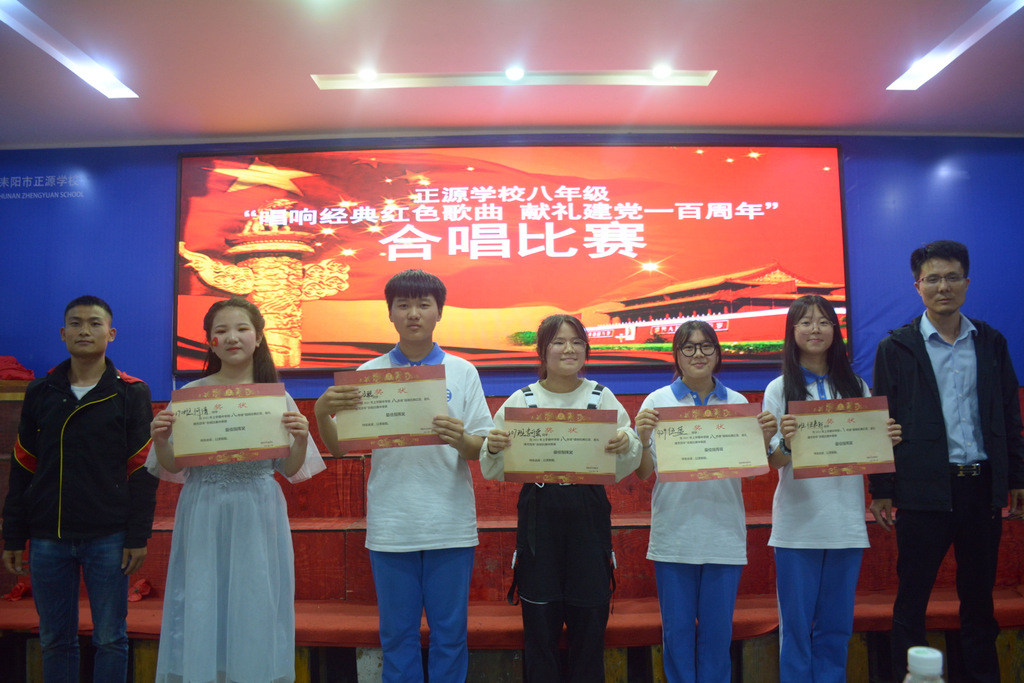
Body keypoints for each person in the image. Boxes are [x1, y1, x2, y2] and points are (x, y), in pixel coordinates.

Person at [314, 270, 493, 683]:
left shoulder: (462, 371)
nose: (414, 313)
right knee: (397, 636)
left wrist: (460, 439)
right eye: (404, 305)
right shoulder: (369, 372)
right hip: (392, 524)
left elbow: (481, 448)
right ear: (390, 313)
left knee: (450, 635)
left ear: (439, 312)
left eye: (423, 305)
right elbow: (340, 448)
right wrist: (322, 413)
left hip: (449, 522)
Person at [869, 240, 1024, 682]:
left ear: (967, 283)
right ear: (917, 286)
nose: (943, 287)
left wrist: (1016, 477)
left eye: (953, 277)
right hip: (923, 490)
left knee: (979, 601)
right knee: (912, 600)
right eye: (933, 278)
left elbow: (1009, 414)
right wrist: (881, 487)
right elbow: (882, 422)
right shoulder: (895, 347)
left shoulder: (990, 342)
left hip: (980, 487)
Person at [148, 296, 325, 683]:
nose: (232, 337)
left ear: (258, 337)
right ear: (210, 342)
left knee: (255, 598)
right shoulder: (192, 396)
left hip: (257, 510)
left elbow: (289, 469)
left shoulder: (274, 397)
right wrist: (160, 439)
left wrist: (300, 438)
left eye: (242, 329)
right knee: (201, 596)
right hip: (204, 508)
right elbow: (173, 465)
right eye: (222, 331)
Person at [1, 295, 158, 682]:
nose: (84, 330)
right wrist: (13, 535)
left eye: (94, 323)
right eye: (75, 323)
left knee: (111, 639)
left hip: (109, 536)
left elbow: (143, 470)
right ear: (62, 333)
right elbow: (23, 466)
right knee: (55, 640)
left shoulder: (131, 392)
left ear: (111, 333)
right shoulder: (40, 391)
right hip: (48, 537)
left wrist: (137, 536)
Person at [480, 313, 642, 683]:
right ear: (542, 350)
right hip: (540, 515)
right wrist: (494, 445)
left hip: (588, 512)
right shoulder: (523, 400)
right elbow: (492, 467)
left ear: (586, 349)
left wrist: (627, 441)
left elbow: (627, 459)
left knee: (590, 621)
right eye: (558, 342)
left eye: (577, 342)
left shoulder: (601, 396)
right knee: (539, 622)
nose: (569, 349)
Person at [763, 295, 901, 682]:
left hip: (845, 522)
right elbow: (773, 461)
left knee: (836, 628)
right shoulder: (779, 388)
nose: (815, 329)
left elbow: (869, 449)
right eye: (806, 322)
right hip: (797, 525)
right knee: (796, 629)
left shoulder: (855, 385)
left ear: (835, 331)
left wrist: (886, 439)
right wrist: (788, 442)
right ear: (792, 331)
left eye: (824, 322)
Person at [634, 321, 777, 683]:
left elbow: (752, 471)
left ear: (717, 353)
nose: (698, 354)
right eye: (688, 347)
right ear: (676, 355)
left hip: (723, 533)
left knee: (717, 635)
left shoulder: (738, 404)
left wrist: (763, 439)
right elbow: (643, 472)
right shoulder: (657, 402)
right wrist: (643, 436)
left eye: (706, 346)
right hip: (674, 535)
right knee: (677, 635)